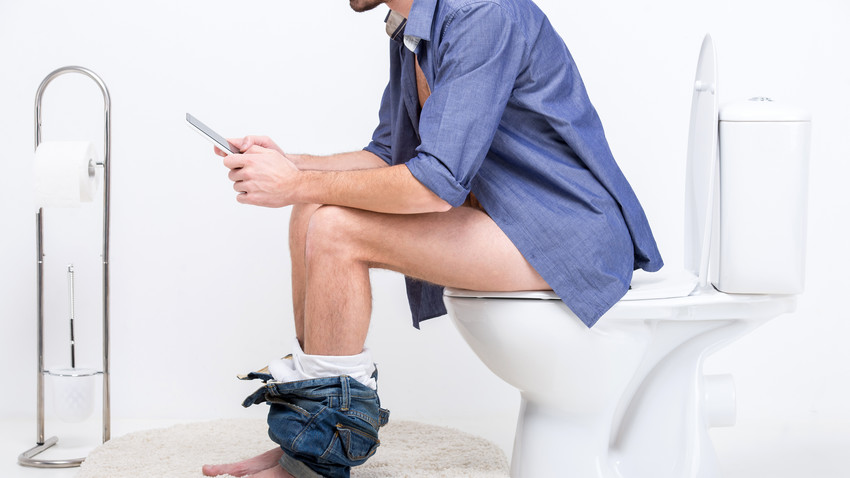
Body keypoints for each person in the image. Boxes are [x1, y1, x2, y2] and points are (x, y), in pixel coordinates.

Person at [202, 0, 663, 476]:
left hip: (565, 231)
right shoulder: (413, 28)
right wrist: (293, 167)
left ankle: (314, 462)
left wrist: (297, 183)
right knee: (310, 211)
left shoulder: (482, 15)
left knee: (335, 228)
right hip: (505, 217)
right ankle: (305, 440)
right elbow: (389, 154)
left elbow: (435, 185)